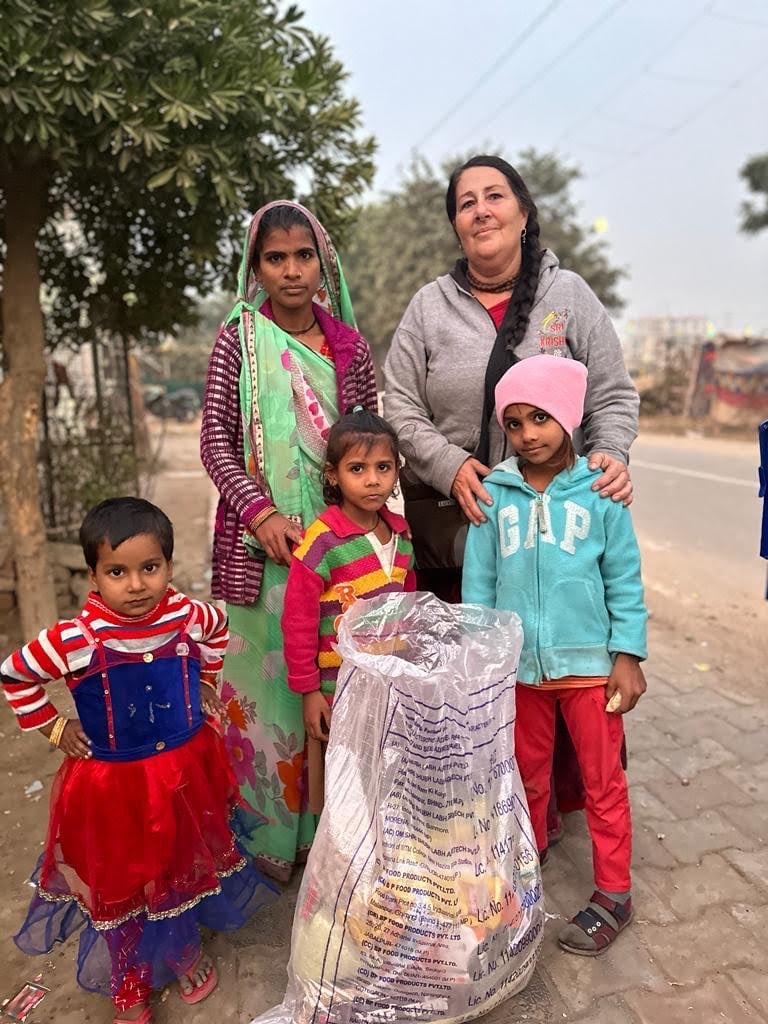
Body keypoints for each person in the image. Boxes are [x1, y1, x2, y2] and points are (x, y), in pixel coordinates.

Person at [0, 498, 276, 1023]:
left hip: (182, 775)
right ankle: (128, 975)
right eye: (117, 572)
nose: (136, 585)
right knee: (123, 880)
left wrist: (204, 679)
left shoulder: (186, 613)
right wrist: (55, 727)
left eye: (150, 568)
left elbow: (218, 630)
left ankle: (180, 948)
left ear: (168, 567)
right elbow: (15, 675)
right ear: (94, 575)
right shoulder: (74, 638)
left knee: (178, 861)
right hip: (113, 788)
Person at [200, 201, 378, 882]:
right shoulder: (238, 339)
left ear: (323, 263)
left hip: (332, 549)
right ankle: (265, 843)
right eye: (275, 258)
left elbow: (364, 443)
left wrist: (347, 533)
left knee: (330, 688)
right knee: (266, 698)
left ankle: (329, 837)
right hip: (259, 552)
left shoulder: (350, 348)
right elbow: (215, 439)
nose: (291, 270)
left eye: (303, 255)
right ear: (256, 267)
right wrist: (259, 512)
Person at [383, 153, 639, 600]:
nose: (480, 210)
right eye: (466, 204)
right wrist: (451, 465)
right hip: (457, 531)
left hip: (557, 534)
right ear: (457, 228)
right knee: (463, 659)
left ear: (523, 213)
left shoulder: (568, 295)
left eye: (494, 196)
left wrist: (609, 455)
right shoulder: (429, 306)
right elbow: (401, 403)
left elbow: (612, 395)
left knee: (551, 664)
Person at [462, 355, 647, 955]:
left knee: (602, 781)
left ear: (567, 417)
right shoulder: (495, 493)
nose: (528, 435)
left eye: (540, 417)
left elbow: (624, 578)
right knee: (523, 777)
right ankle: (528, 862)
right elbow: (479, 583)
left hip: (590, 668)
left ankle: (613, 892)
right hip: (519, 670)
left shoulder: (599, 491)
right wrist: (482, 658)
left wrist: (627, 654)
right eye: (513, 423)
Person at [281, 407, 416, 755]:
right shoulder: (321, 544)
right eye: (357, 468)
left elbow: (410, 609)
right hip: (338, 691)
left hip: (392, 688)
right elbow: (298, 624)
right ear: (333, 476)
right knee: (346, 786)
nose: (372, 480)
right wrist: (309, 693)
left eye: (383, 468)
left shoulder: (401, 536)